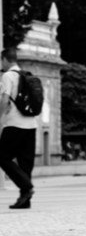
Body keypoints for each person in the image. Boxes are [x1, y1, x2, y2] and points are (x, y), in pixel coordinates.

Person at [0, 48, 38, 209]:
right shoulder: (27, 75)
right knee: (25, 163)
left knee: (1, 156)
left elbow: (4, 99)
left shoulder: (8, 76)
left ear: (5, 59)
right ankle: (25, 200)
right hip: (31, 124)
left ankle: (26, 186)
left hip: (14, 124)